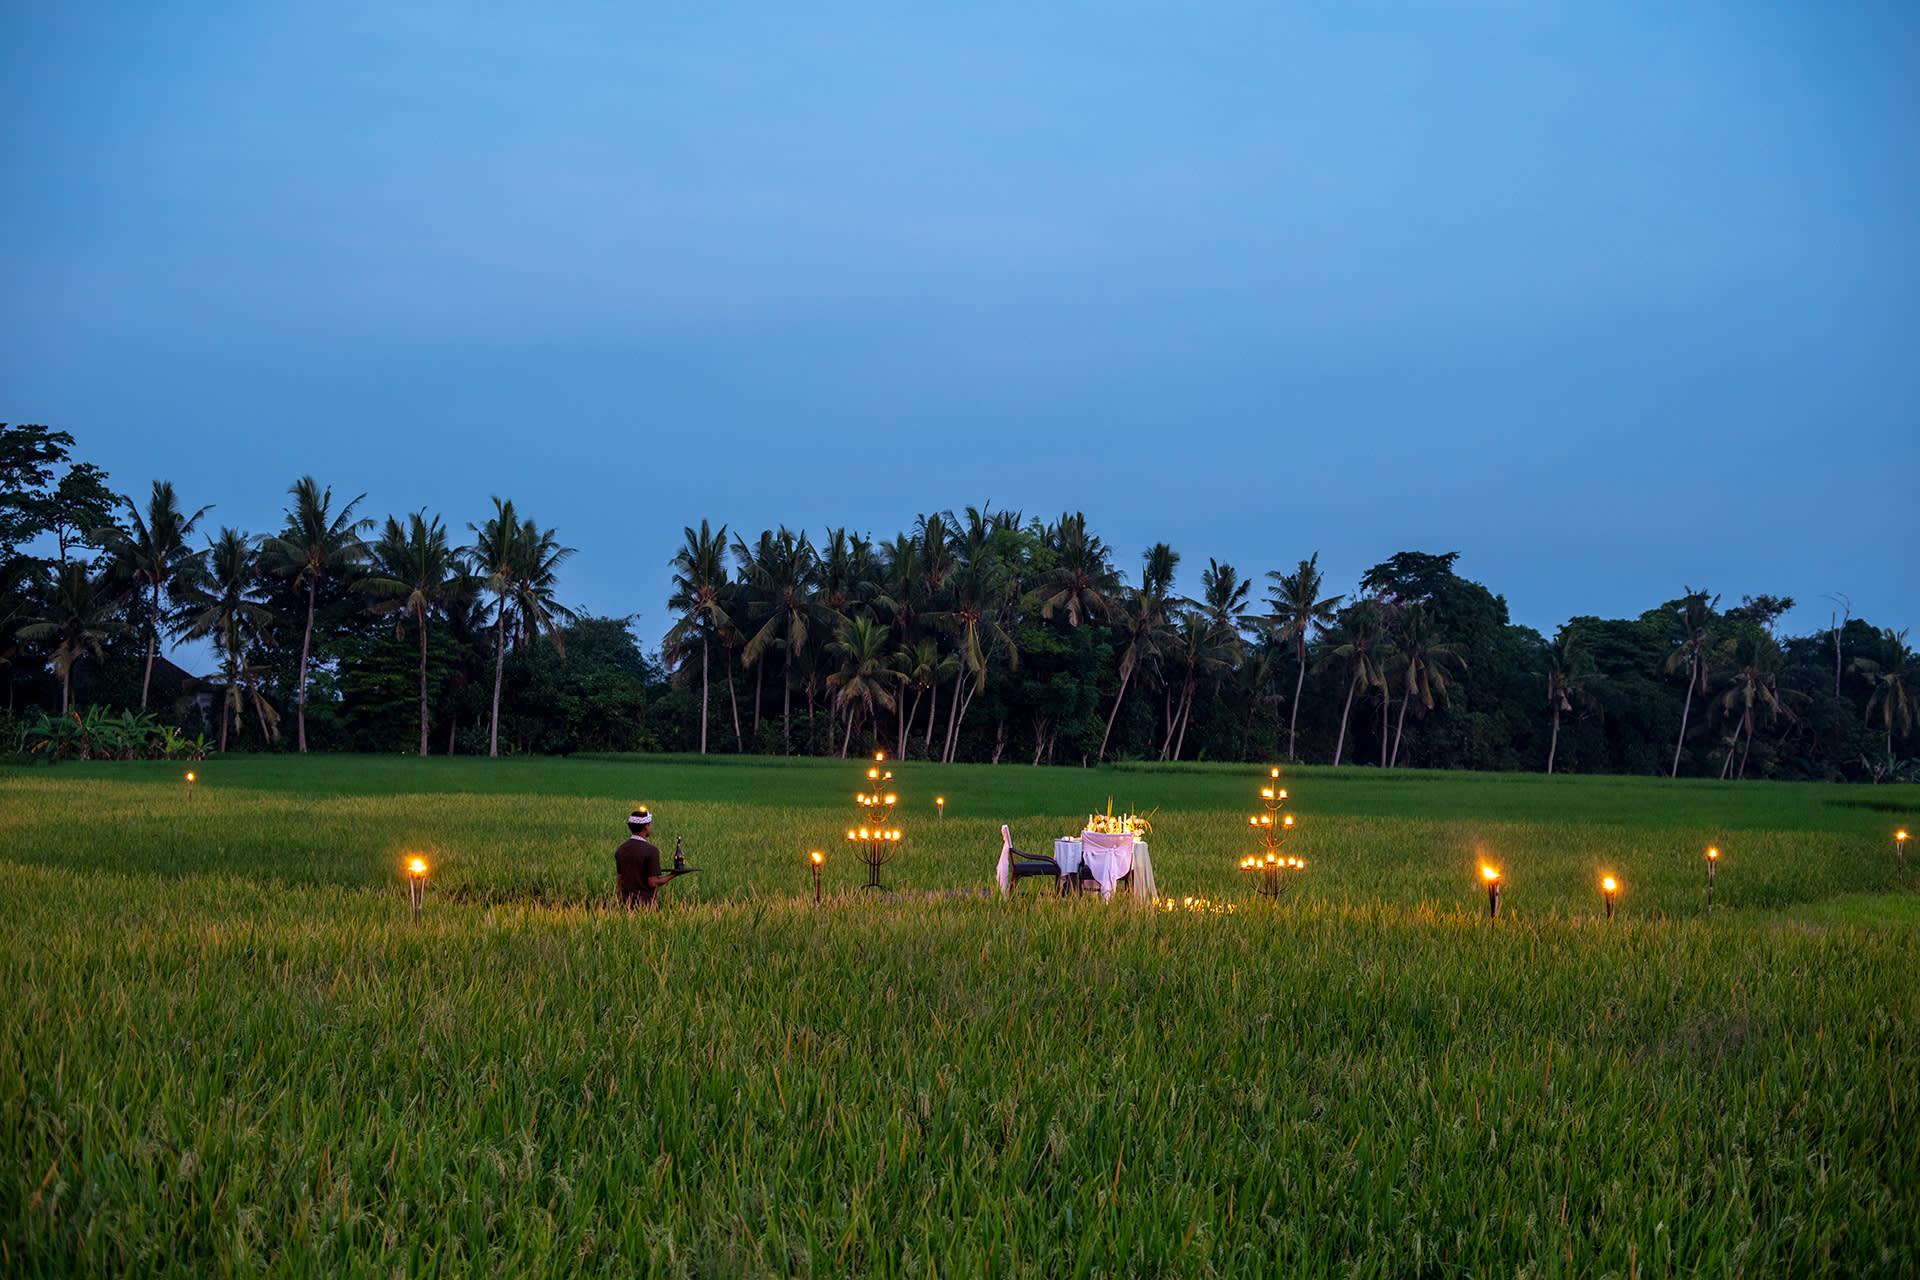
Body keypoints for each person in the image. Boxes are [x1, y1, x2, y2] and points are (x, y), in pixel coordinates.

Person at [615, 807, 672, 909]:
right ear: (646, 827)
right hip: (645, 906)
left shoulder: (621, 849)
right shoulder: (651, 851)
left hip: (625, 904)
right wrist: (673, 875)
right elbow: (653, 882)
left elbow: (620, 881)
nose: (651, 827)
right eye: (650, 824)